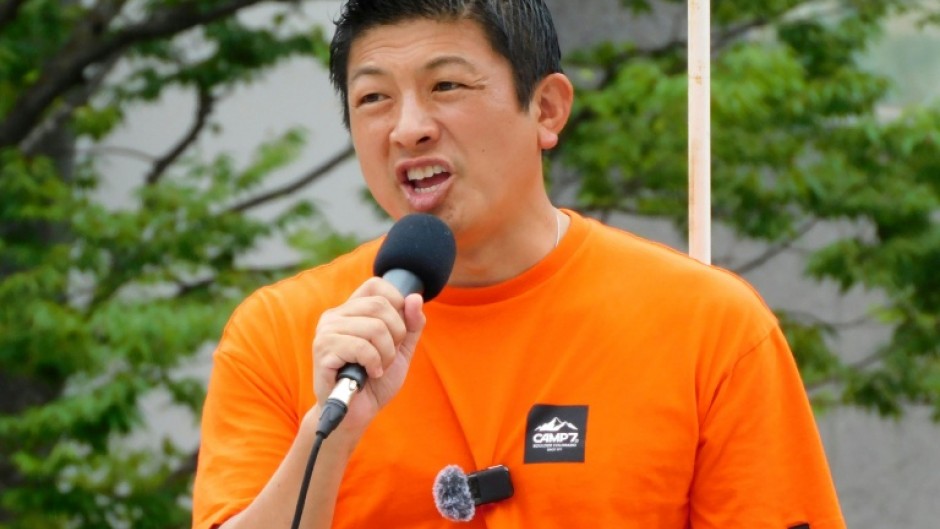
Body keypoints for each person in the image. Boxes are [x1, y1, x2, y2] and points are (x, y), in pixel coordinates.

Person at [191, 1, 847, 528]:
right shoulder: (281, 333)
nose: (408, 127)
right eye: (373, 99)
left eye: (446, 85)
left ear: (548, 107)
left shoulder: (708, 325)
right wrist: (331, 429)